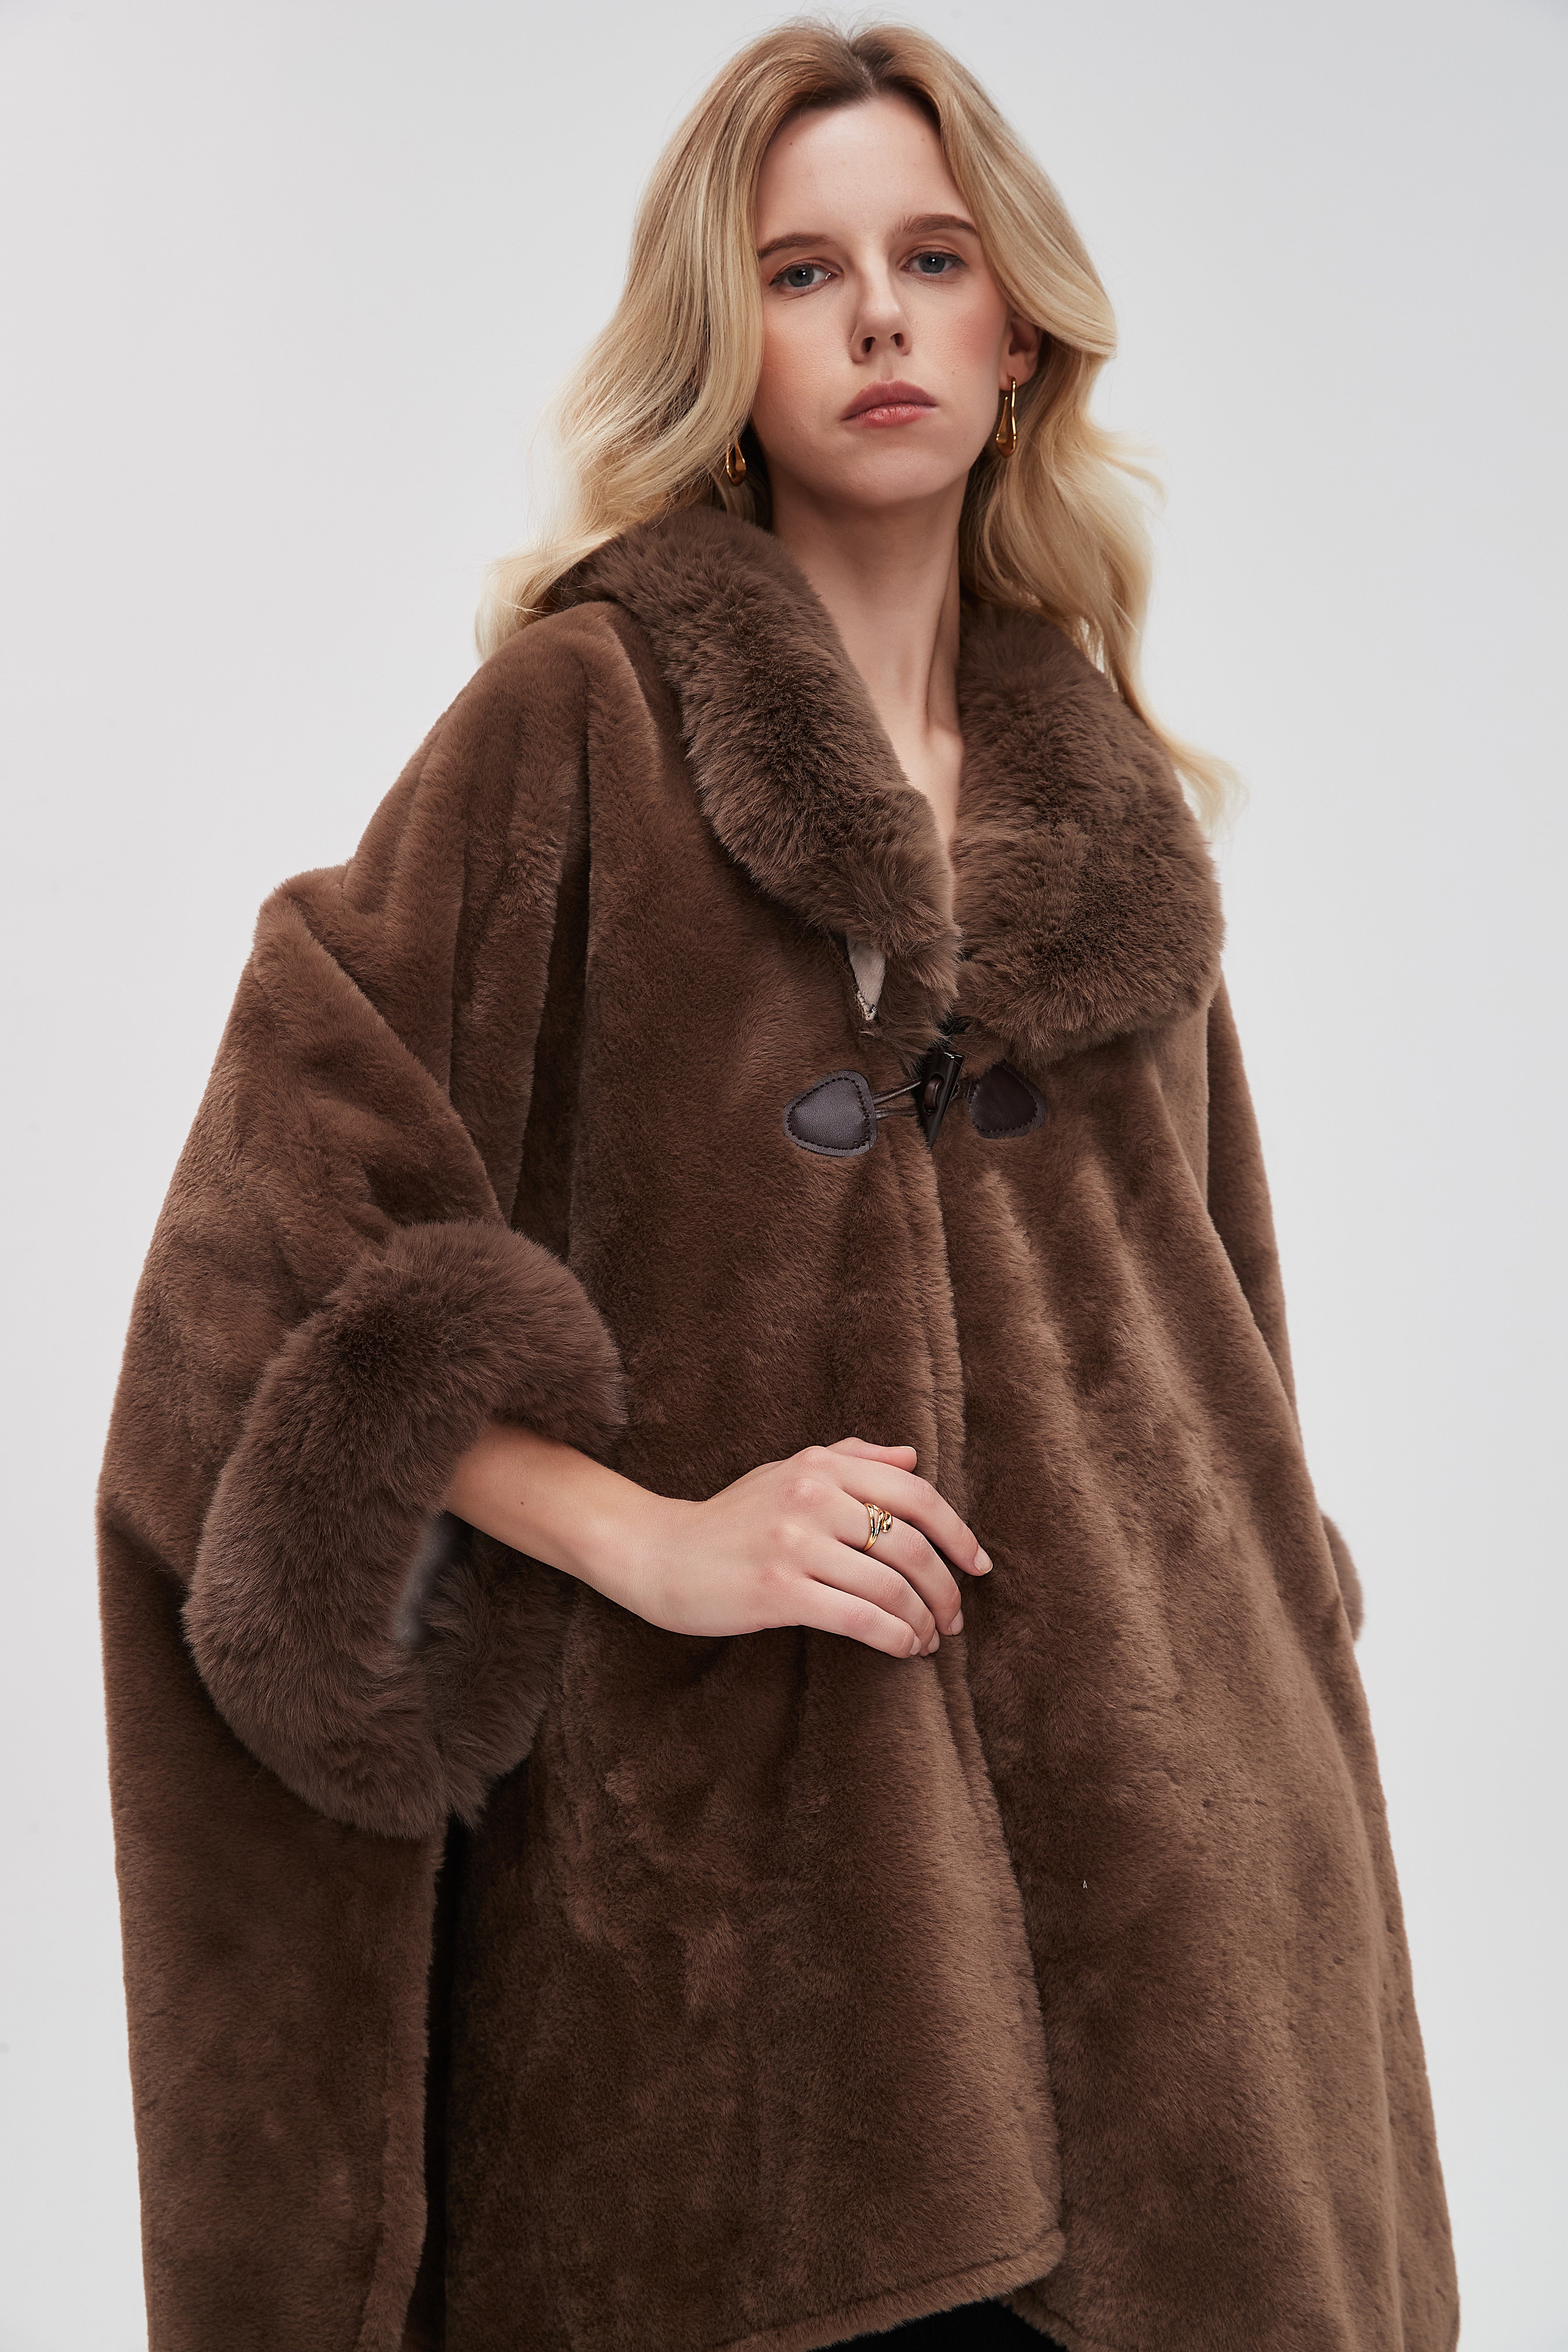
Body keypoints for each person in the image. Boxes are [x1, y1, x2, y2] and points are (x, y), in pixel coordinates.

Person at [97, 22, 1457, 2352]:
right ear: (727, 347)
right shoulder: (576, 726)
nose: (877, 317)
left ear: (1017, 331)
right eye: (805, 271)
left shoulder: (1111, 811)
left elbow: (1226, 1347)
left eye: (933, 258)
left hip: (1188, 1934)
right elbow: (264, 1276)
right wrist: (656, 1536)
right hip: (753, 1959)